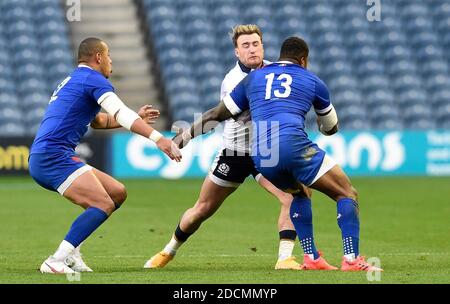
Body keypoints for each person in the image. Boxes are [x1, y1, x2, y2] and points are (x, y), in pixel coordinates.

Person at [172, 36, 383, 272]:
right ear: (303, 60)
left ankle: (312, 258)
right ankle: (351, 259)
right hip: (293, 145)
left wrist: (183, 137)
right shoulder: (313, 80)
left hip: (263, 156)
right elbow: (331, 128)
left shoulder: (254, 78)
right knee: (347, 192)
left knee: (299, 194)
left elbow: (215, 114)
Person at [144, 25, 334, 271]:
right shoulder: (233, 81)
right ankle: (168, 250)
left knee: (296, 194)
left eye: (256, 44)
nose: (252, 49)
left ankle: (285, 258)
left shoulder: (275, 72)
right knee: (203, 209)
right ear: (236, 52)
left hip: (267, 150)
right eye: (245, 45)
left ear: (263, 47)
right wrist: (183, 138)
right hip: (236, 152)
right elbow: (217, 116)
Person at [29, 37, 182, 274]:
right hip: (52, 156)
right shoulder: (93, 79)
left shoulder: (75, 80)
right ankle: (55, 260)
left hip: (49, 154)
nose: (111, 61)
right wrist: (158, 138)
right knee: (101, 203)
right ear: (98, 57)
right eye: (108, 55)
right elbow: (120, 112)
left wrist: (136, 119)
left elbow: (99, 121)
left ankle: (72, 254)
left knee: (116, 193)